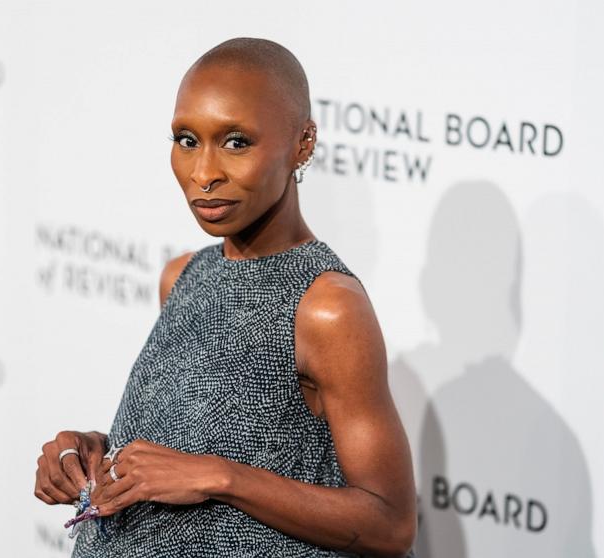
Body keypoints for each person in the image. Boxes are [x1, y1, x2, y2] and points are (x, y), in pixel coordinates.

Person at [34, 37, 417, 557]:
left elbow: (389, 525)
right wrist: (98, 453)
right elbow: (189, 448)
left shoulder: (326, 306)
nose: (204, 174)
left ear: (303, 144)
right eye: (187, 140)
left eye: (236, 142)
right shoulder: (182, 276)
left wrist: (219, 477)